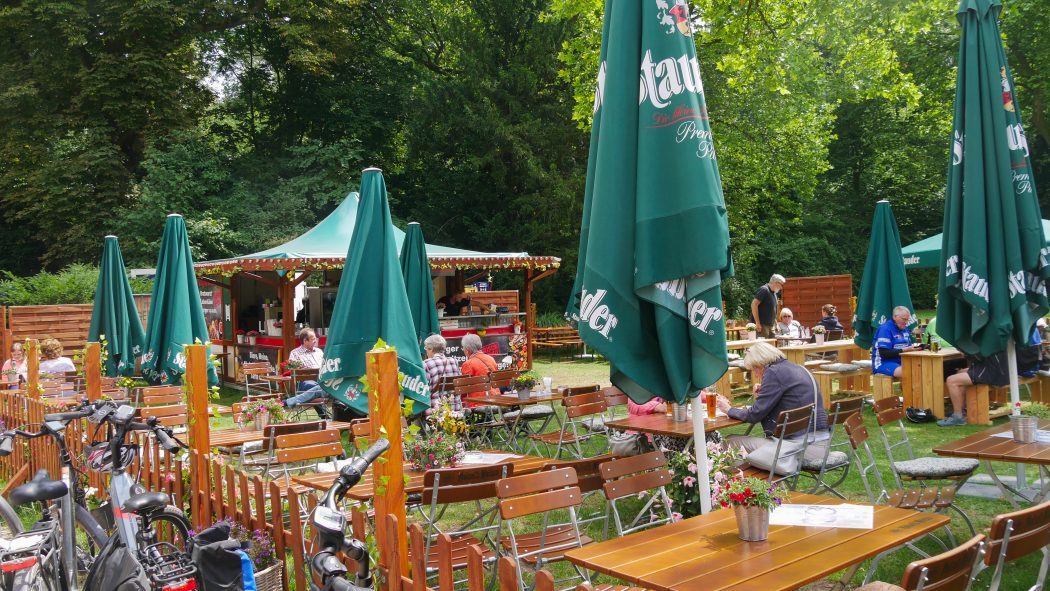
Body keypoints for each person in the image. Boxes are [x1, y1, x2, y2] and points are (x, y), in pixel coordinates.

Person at [715, 341, 829, 462]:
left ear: (761, 363)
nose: (756, 374)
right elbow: (789, 401)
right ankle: (760, 479)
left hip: (798, 448)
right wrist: (763, 395)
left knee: (730, 441)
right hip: (821, 443)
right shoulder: (799, 368)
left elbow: (754, 415)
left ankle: (744, 480)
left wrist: (728, 409)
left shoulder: (773, 372)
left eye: (754, 368)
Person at [938, 327, 1042, 426]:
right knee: (959, 374)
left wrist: (965, 353)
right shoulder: (998, 333)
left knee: (951, 381)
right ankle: (963, 410)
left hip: (995, 373)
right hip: (1001, 369)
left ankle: (958, 416)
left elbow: (980, 356)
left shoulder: (989, 335)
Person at [871, 306, 920, 378]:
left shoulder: (905, 329)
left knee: (922, 368)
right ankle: (909, 389)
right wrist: (904, 350)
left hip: (901, 362)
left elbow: (909, 348)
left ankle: (911, 389)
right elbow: (884, 354)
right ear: (894, 317)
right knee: (908, 372)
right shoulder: (885, 329)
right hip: (883, 363)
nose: (906, 322)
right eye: (903, 319)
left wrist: (917, 348)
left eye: (907, 320)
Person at [423, 334, 461, 413]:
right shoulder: (454, 361)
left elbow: (424, 390)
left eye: (426, 348)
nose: (426, 351)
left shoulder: (426, 364)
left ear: (431, 349)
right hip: (455, 409)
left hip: (435, 411)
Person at [459, 333, 499, 403]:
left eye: (463, 348)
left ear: (467, 349)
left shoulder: (468, 364)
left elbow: (464, 390)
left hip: (477, 401)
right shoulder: (491, 359)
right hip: (495, 397)